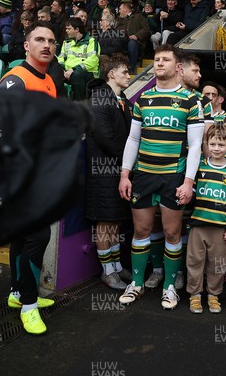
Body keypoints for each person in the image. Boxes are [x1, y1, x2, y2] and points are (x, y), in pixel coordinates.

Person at [118, 44, 205, 309]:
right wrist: (125, 174)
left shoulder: (191, 101)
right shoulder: (142, 100)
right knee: (142, 230)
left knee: (171, 233)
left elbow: (195, 146)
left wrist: (188, 181)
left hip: (173, 177)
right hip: (143, 176)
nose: (158, 63)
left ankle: (169, 287)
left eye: (165, 59)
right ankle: (137, 284)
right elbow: (133, 138)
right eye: (156, 59)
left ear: (178, 67)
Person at [0, 21, 58, 335]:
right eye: (39, 39)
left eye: (50, 40)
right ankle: (30, 307)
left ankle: (17, 293)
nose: (46, 45)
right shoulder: (15, 79)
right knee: (38, 237)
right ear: (26, 45)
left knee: (22, 237)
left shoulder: (48, 80)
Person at [86, 54, 134, 290]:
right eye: (125, 72)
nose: (129, 75)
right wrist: (128, 160)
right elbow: (106, 137)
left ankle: (115, 266)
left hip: (118, 170)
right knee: (105, 222)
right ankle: (107, 271)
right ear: (111, 74)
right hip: (103, 171)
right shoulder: (98, 98)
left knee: (115, 221)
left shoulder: (123, 98)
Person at [186, 124, 226, 313]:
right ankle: (195, 295)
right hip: (198, 224)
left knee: (218, 264)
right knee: (194, 261)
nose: (216, 148)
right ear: (207, 144)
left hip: (220, 227)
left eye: (221, 144)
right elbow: (190, 194)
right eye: (212, 144)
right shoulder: (199, 166)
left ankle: (213, 295)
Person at [57, 17, 100, 100]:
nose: (66, 31)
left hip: (88, 74)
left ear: (77, 29)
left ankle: (78, 105)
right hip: (67, 73)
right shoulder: (67, 42)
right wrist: (61, 70)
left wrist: (74, 70)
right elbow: (61, 57)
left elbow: (92, 61)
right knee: (54, 73)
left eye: (69, 29)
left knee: (76, 75)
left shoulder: (91, 41)